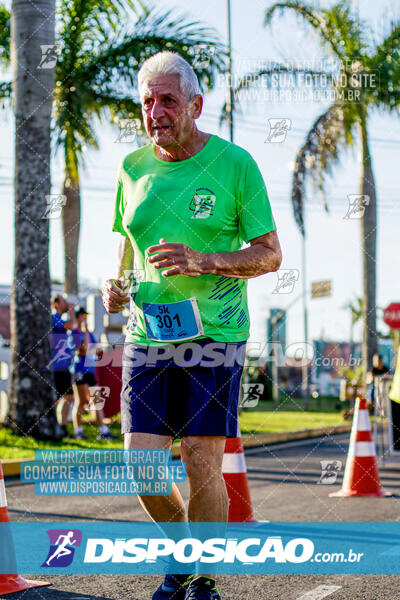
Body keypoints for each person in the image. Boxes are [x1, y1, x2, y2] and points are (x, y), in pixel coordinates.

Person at [102, 51, 282, 600]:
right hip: (148, 335)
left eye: (168, 100)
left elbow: (270, 255)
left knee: (201, 460)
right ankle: (184, 554)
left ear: (196, 105)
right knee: (141, 468)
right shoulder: (132, 168)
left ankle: (201, 578)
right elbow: (127, 250)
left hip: (215, 335)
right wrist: (117, 287)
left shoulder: (235, 164)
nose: (155, 110)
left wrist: (206, 261)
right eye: (147, 100)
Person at [71, 306, 115, 440]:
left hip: (89, 370)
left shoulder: (88, 333)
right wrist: (84, 333)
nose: (85, 318)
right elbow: (82, 350)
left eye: (86, 316)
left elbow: (95, 348)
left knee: (97, 400)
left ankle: (103, 431)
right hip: (79, 370)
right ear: (77, 317)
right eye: (82, 316)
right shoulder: (75, 333)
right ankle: (77, 431)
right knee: (81, 401)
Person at [50, 294, 75, 437]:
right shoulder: (54, 318)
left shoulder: (57, 319)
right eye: (64, 302)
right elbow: (71, 325)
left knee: (66, 397)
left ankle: (61, 427)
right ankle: (60, 427)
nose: (67, 304)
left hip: (63, 365)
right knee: (66, 397)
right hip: (57, 366)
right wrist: (71, 312)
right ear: (57, 303)